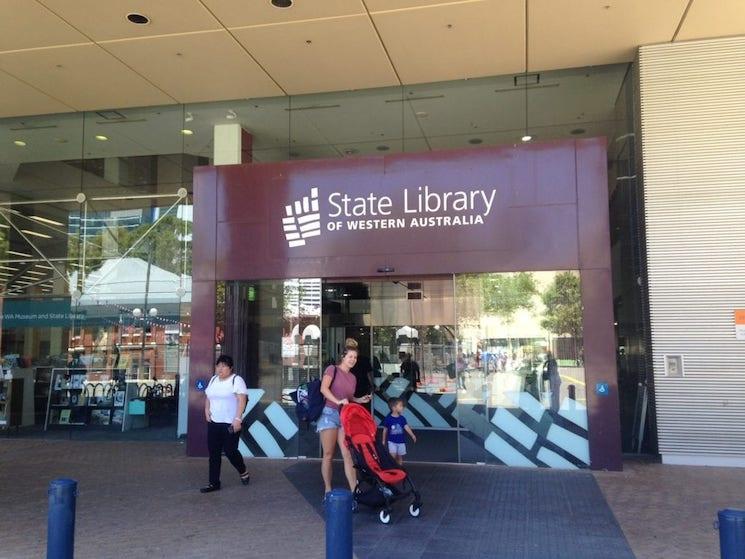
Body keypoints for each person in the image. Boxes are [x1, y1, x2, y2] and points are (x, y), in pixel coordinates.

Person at [318, 338, 372, 503]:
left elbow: (349, 398)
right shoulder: (332, 369)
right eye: (350, 357)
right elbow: (323, 389)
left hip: (344, 416)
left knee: (348, 454)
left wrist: (360, 399)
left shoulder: (353, 378)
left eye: (355, 358)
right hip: (329, 413)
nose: (353, 360)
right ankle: (327, 489)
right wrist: (337, 401)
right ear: (343, 357)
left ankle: (354, 490)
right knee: (328, 454)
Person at [200, 354, 250, 493]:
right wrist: (206, 410)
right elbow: (208, 396)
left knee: (230, 451)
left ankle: (242, 470)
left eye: (224, 366)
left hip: (230, 423)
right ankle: (213, 483)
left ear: (230, 368)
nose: (220, 369)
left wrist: (238, 419)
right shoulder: (213, 379)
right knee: (214, 453)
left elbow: (242, 400)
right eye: (218, 366)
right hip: (214, 422)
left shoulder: (236, 380)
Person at [382, 397, 416, 465]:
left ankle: (400, 469)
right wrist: (383, 440)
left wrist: (412, 435)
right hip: (391, 442)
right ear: (394, 408)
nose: (402, 407)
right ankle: (393, 469)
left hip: (401, 442)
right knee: (392, 456)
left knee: (400, 456)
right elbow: (385, 430)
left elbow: (406, 427)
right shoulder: (388, 419)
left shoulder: (402, 418)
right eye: (400, 406)